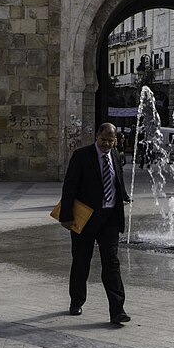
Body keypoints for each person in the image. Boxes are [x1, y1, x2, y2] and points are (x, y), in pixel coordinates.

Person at [60, 123, 131, 324]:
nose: (107, 144)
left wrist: (123, 196)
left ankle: (117, 310)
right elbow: (70, 186)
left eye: (111, 140)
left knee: (112, 264)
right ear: (96, 137)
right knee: (81, 260)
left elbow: (117, 181)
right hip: (85, 217)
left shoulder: (116, 155)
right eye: (104, 140)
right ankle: (77, 301)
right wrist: (66, 217)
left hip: (109, 219)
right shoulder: (82, 156)